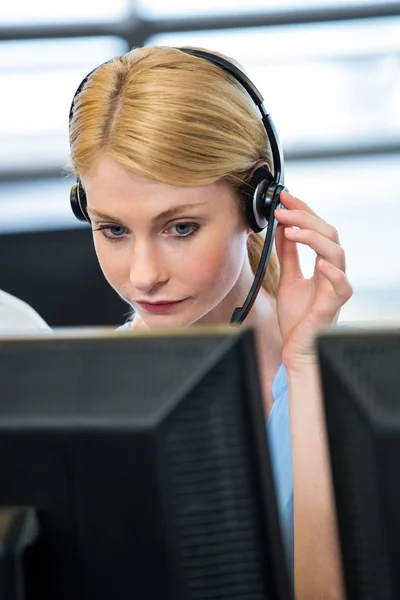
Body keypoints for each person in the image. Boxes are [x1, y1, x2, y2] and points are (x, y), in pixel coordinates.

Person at [68, 45, 352, 599]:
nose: (145, 276)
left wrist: (309, 372)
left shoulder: (342, 385)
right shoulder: (83, 400)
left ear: (259, 205)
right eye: (114, 230)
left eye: (180, 228)